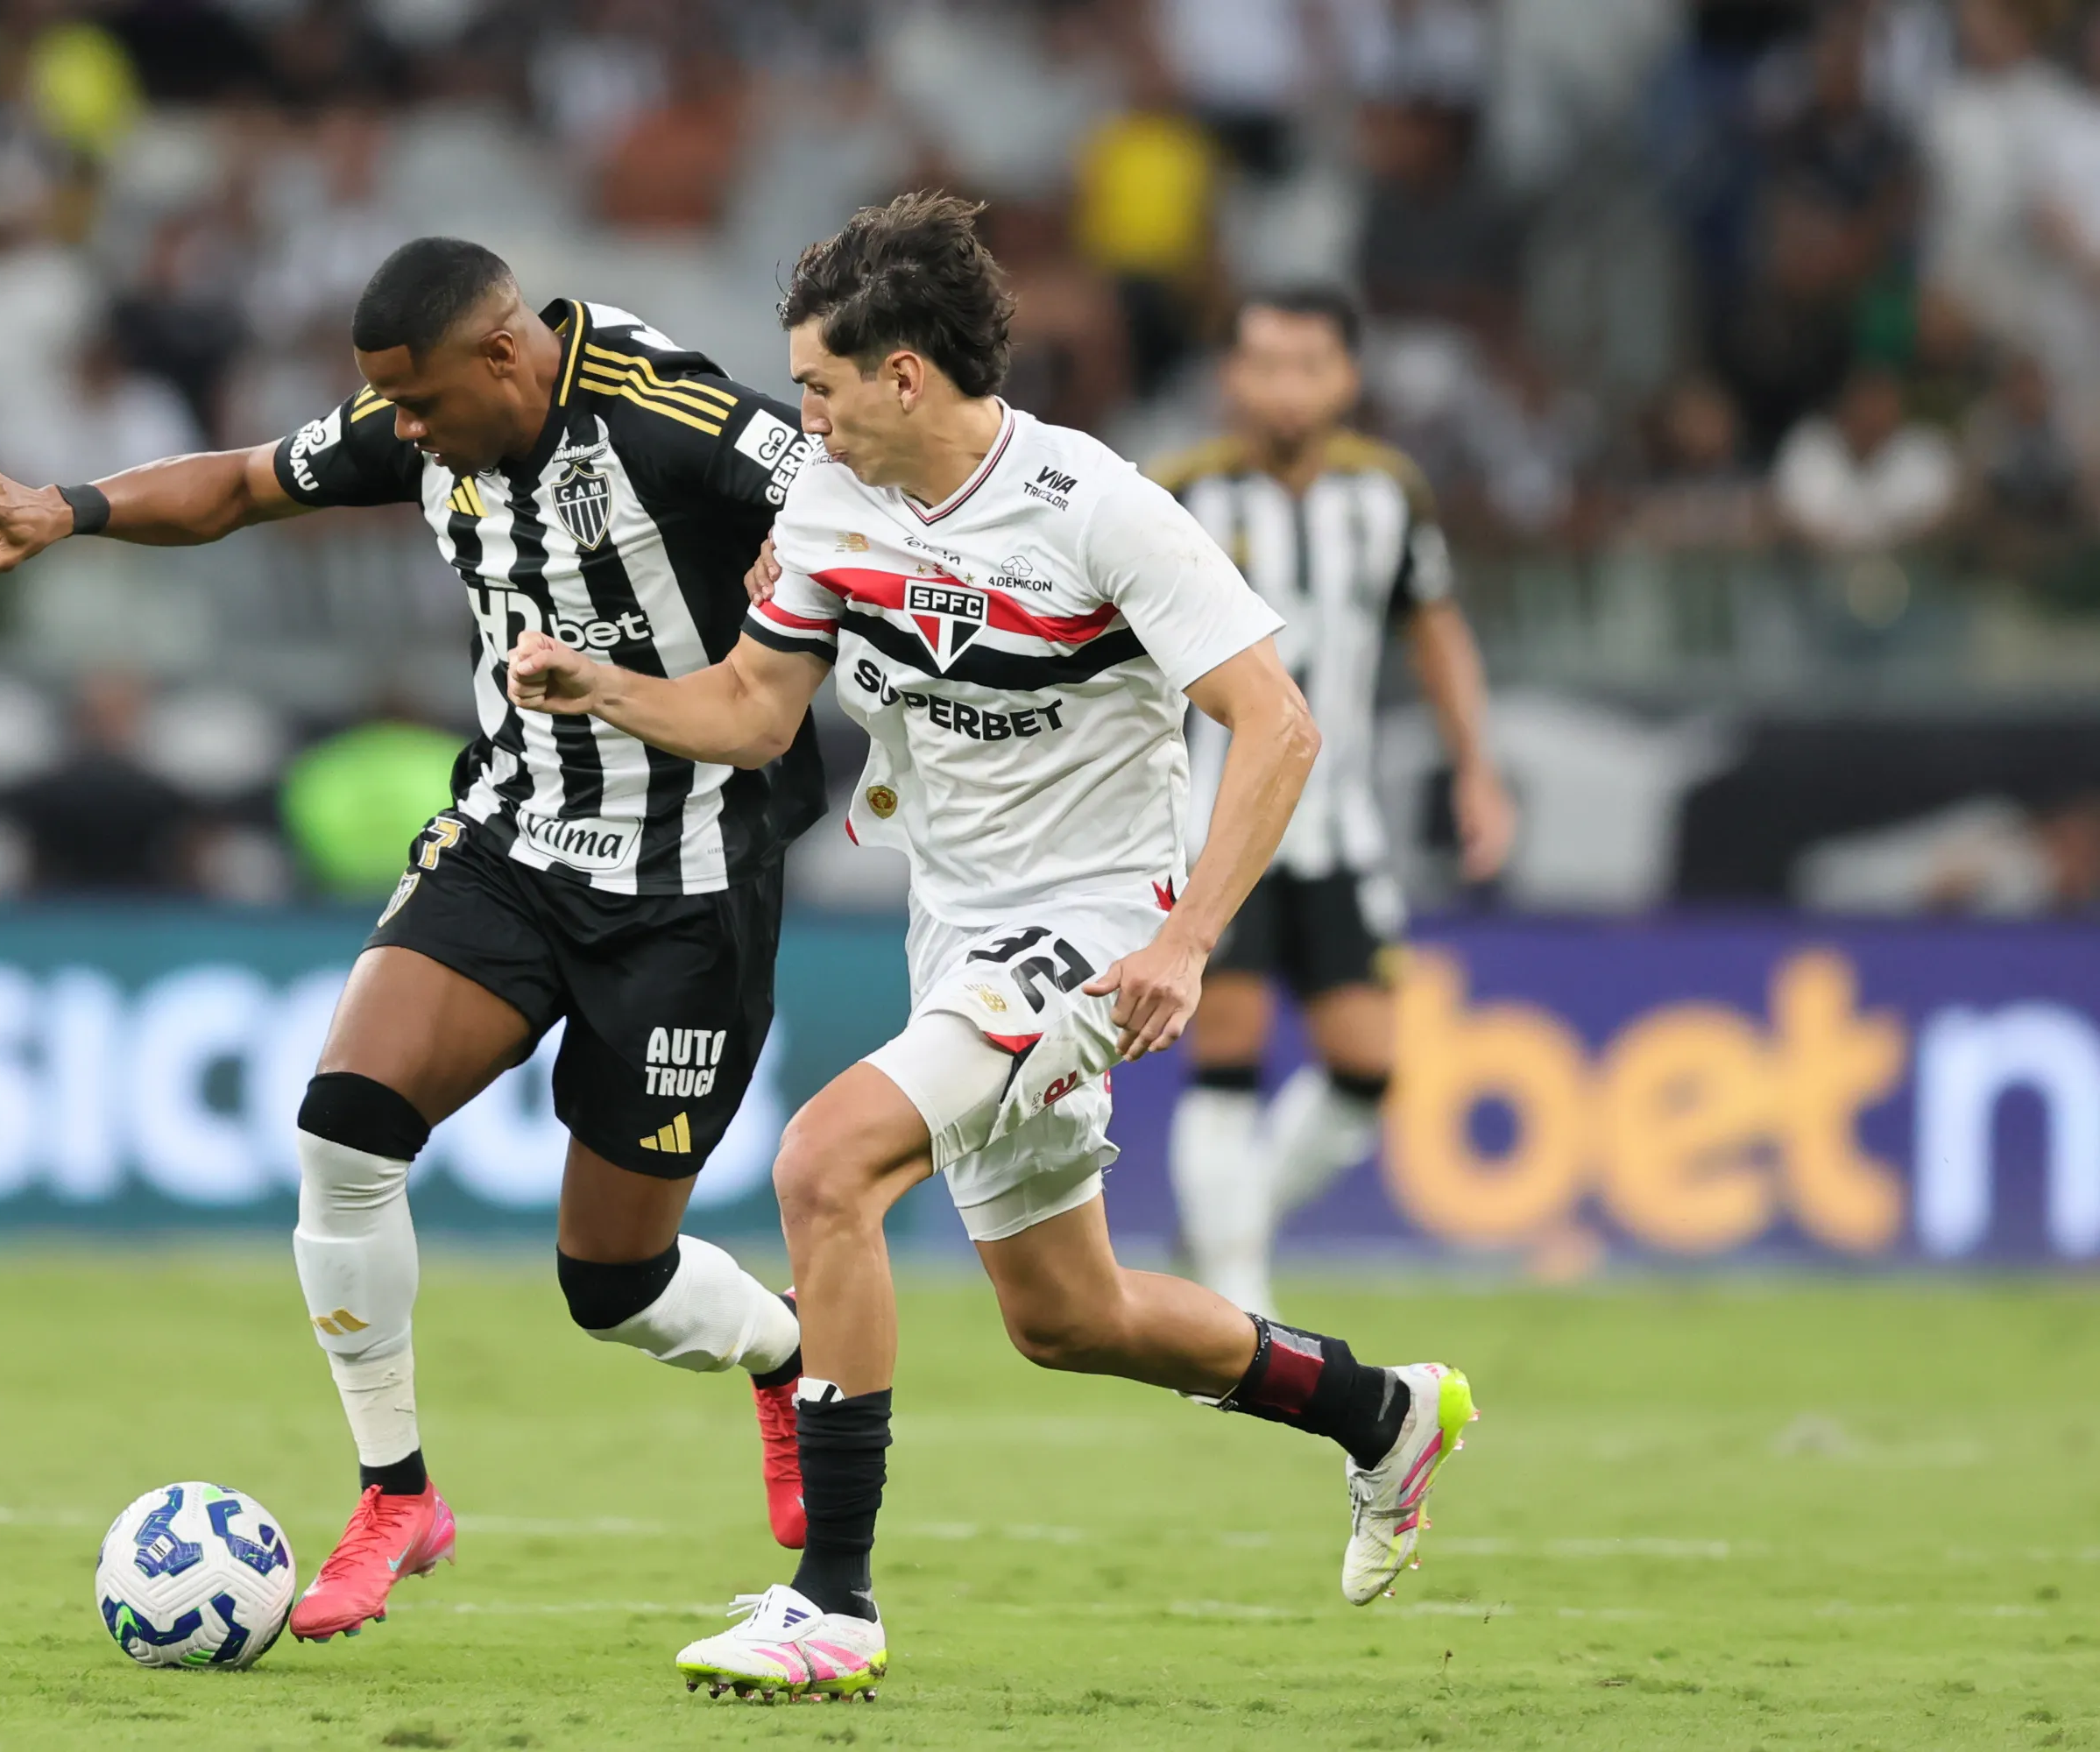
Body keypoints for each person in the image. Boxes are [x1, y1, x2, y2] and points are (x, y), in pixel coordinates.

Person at [507, 194, 1478, 1702]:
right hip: (954, 924)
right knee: (1068, 1318)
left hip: (1091, 927)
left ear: (903, 375)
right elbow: (756, 711)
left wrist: (1185, 942)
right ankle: (1381, 1414)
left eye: (819, 386)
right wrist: (604, 688)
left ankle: (831, 1602)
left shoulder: (1099, 507)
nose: (803, 417)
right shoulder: (831, 509)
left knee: (827, 1166)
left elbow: (1278, 726)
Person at [0, 237, 826, 1643]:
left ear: (503, 356)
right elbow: (240, 485)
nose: (400, 433)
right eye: (388, 406)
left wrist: (829, 562)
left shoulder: (675, 419)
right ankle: (396, 1494)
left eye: (419, 405)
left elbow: (867, 502)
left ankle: (781, 1348)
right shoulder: (423, 420)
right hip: (513, 843)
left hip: (692, 887)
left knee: (614, 1285)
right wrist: (72, 509)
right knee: (343, 1129)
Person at [1152, 286, 1515, 1320]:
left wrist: (1476, 766)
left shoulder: (1387, 494)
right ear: (1232, 376)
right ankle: (1239, 1304)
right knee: (1228, 1051)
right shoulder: (1177, 494)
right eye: (1266, 363)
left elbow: (1434, 628)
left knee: (1366, 1065)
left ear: (1348, 377)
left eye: (1309, 365)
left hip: (1341, 826)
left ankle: (1230, 1228)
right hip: (1215, 821)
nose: (1287, 387)